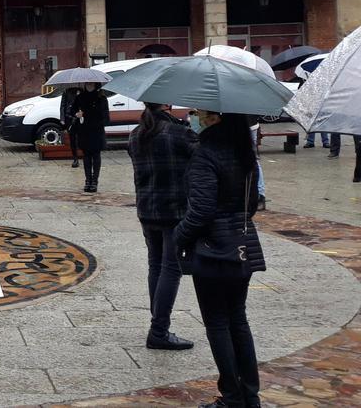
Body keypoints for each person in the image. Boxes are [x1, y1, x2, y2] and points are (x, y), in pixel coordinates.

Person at [176, 110, 265, 408]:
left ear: (215, 118)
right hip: (242, 244)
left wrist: (178, 237)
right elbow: (252, 204)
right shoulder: (245, 151)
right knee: (238, 318)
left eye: (199, 113)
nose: (195, 117)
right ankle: (249, 395)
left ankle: (231, 397)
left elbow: (201, 210)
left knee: (217, 322)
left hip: (214, 250)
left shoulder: (206, 153)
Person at [127, 103, 197, 351]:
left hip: (147, 209)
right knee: (171, 268)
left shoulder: (136, 134)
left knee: (155, 266)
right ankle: (159, 330)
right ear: (166, 104)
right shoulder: (178, 133)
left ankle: (157, 325)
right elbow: (201, 156)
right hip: (174, 210)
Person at [72, 83, 110, 193]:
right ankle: (88, 180)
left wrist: (92, 117)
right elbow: (72, 111)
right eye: (87, 83)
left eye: (91, 83)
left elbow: (106, 118)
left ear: (95, 84)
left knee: (96, 155)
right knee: (86, 156)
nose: (89, 85)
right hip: (84, 130)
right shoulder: (79, 97)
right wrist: (77, 114)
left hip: (96, 131)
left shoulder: (101, 98)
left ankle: (94, 181)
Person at [61, 87, 81, 168]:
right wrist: (62, 118)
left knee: (81, 138)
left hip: (80, 118)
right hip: (70, 118)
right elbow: (62, 105)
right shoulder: (66, 91)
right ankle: (75, 159)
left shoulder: (82, 91)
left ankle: (85, 155)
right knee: (72, 139)